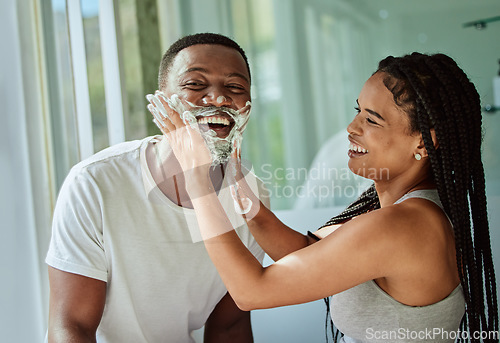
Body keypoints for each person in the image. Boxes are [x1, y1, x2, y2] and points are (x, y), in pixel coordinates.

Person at [154, 52, 498, 342]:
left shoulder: (403, 226)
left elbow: (251, 292)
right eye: (358, 109)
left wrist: (198, 180)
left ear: (423, 142)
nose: (352, 127)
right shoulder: (407, 212)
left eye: (372, 120)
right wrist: (240, 190)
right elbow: (310, 255)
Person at [45, 33, 268, 343]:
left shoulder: (250, 194)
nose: (218, 98)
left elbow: (229, 327)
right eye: (195, 85)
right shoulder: (95, 183)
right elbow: (72, 327)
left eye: (235, 87)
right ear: (161, 99)